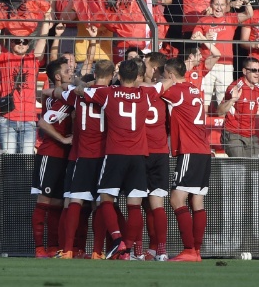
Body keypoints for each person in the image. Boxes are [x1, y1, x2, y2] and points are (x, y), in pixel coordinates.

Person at [74, 60, 161, 260]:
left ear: (118, 76)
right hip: (138, 156)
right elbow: (164, 84)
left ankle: (116, 240)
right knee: (135, 204)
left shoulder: (108, 93)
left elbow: (80, 91)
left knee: (105, 198)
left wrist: (82, 84)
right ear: (137, 76)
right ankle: (127, 249)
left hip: (115, 154)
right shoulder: (145, 94)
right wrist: (143, 84)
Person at [55, 59, 114, 260]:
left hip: (83, 155)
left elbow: (59, 92)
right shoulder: (112, 94)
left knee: (75, 200)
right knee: (100, 203)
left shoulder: (77, 94)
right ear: (112, 75)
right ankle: (97, 251)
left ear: (95, 73)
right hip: (105, 156)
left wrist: (80, 85)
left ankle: (68, 250)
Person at [161, 57, 211, 262]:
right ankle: (196, 251)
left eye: (164, 75)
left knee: (176, 199)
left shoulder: (176, 90)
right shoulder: (193, 88)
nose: (163, 79)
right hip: (204, 150)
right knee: (196, 200)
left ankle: (189, 249)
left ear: (171, 76)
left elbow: (150, 90)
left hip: (190, 150)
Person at [0, 11, 52, 153]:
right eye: (17, 41)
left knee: (26, 161)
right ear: (11, 43)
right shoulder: (3, 57)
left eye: (25, 41)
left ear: (29, 45)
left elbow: (42, 39)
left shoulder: (33, 59)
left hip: (28, 118)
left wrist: (46, 20)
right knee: (10, 161)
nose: (21, 44)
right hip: (6, 118)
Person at [30, 58, 73, 258]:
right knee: (44, 200)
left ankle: (54, 247)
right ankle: (40, 248)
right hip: (50, 153)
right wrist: (64, 140)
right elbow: (43, 123)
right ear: (57, 76)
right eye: (67, 71)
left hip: (65, 157)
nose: (71, 73)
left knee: (57, 203)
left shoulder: (64, 95)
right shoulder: (54, 100)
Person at [193, 0, 253, 113]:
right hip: (206, 65)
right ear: (211, 4)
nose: (219, 8)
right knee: (204, 100)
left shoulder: (231, 18)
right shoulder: (203, 20)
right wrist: (204, 37)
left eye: (222, 5)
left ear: (226, 6)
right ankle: (203, 130)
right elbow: (193, 37)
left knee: (224, 100)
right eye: (216, 4)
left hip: (225, 64)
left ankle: (223, 131)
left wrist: (246, 1)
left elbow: (249, 14)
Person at [141, 52, 170, 261]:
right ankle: (159, 249)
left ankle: (137, 250)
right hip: (160, 151)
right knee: (155, 202)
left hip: (139, 151)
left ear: (153, 69)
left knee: (137, 202)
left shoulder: (134, 89)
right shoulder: (167, 91)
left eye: (145, 64)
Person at [217, 57, 259, 157]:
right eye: (253, 70)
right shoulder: (235, 87)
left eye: (258, 70)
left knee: (254, 168)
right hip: (233, 134)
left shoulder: (257, 88)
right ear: (244, 71)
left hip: (251, 135)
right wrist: (232, 100)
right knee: (241, 166)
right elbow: (219, 112)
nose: (257, 73)